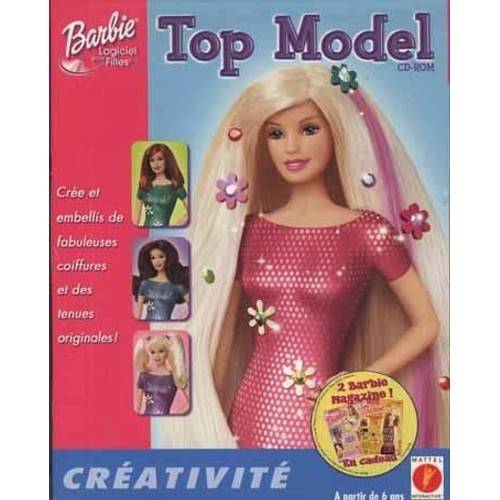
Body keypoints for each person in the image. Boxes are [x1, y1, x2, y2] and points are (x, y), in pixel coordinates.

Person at [154, 64, 449, 449]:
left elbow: (427, 324)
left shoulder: (366, 231)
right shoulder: (249, 231)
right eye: (276, 134)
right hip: (252, 414)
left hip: (326, 414)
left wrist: (356, 384)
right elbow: (224, 336)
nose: (291, 147)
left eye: (309, 129)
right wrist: (210, 416)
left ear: (336, 131)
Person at [133, 143, 188, 227]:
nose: (156, 164)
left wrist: (174, 226)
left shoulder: (175, 186)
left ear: (167, 160)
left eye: (160, 159)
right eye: (152, 160)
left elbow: (193, 211)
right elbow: (136, 217)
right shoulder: (144, 185)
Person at [133, 239, 189, 321]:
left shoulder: (178, 287)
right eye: (153, 258)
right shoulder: (145, 284)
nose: (157, 261)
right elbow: (144, 309)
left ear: (168, 258)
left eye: (161, 256)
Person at [134, 335, 190, 415]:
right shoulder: (144, 377)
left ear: (167, 352)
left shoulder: (175, 377)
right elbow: (137, 406)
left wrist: (174, 416)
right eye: (153, 352)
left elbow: (191, 401)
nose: (157, 356)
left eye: (161, 351)